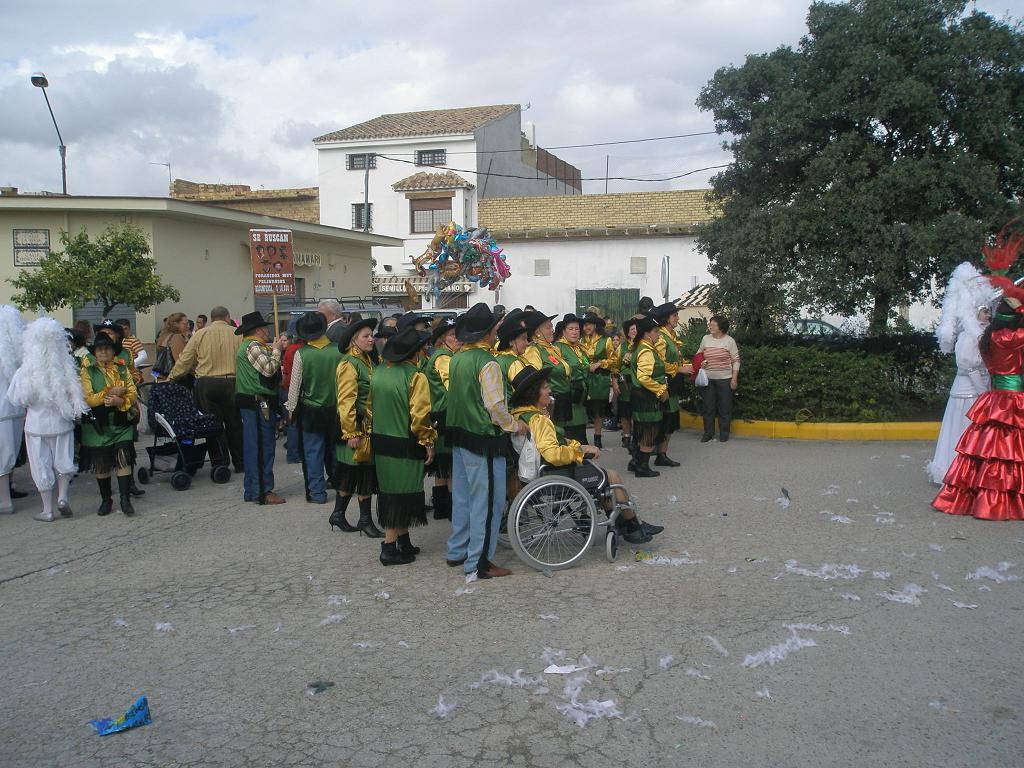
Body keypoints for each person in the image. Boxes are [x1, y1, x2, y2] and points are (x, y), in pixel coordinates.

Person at [509, 366, 662, 544]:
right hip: (552, 473)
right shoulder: (538, 419)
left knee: (601, 477)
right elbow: (552, 454)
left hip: (535, 473)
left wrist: (581, 446)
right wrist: (579, 452)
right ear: (533, 393)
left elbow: (548, 444)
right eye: (545, 387)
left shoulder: (519, 415)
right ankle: (633, 526)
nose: (549, 390)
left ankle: (627, 524)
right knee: (611, 476)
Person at [446, 303, 526, 579]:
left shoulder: (457, 357)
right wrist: (515, 425)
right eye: (495, 329)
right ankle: (479, 562)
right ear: (489, 332)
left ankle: (457, 550)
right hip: (482, 438)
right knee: (488, 502)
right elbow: (495, 407)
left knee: (463, 497)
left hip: (459, 434)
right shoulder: (487, 362)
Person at [7, 318, 89, 522]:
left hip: (36, 425)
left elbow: (18, 398)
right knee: (64, 460)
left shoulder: (26, 371)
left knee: (40, 464)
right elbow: (76, 396)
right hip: (62, 422)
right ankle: (62, 497)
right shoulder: (65, 368)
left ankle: (47, 509)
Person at [370, 327, 436, 566]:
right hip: (405, 443)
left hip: (381, 441)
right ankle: (388, 547)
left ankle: (403, 540)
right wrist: (428, 441)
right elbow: (420, 417)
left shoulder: (378, 372)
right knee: (402, 494)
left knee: (391, 491)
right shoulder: (415, 376)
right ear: (415, 352)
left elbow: (369, 407)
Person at [928, 263, 993, 485]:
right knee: (963, 431)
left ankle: (973, 473)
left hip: (978, 390)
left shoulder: (981, 333)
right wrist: (983, 391)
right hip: (968, 392)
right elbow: (969, 365)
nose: (988, 315)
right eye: (985, 311)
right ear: (975, 312)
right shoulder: (969, 336)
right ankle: (957, 471)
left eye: (989, 311)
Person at [168, 306, 244, 472]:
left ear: (211, 319)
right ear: (227, 317)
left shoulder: (200, 334)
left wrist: (171, 378)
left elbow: (184, 360)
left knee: (212, 425)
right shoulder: (238, 334)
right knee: (235, 424)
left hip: (207, 384)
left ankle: (220, 463)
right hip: (233, 383)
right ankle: (240, 463)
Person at [331, 318, 383, 537]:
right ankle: (364, 520)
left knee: (351, 473)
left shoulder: (367, 360)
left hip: (367, 425)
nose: (371, 339)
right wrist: (351, 432)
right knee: (362, 474)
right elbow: (346, 401)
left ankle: (338, 514)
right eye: (366, 336)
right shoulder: (348, 364)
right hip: (355, 426)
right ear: (354, 341)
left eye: (372, 335)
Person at [79, 334, 139, 515]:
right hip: (98, 426)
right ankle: (106, 500)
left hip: (120, 423)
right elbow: (89, 399)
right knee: (101, 464)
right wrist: (110, 392)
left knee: (123, 459)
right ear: (95, 353)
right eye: (99, 349)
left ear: (113, 351)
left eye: (107, 348)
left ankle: (125, 500)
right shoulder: (87, 372)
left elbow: (132, 392)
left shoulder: (122, 369)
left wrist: (121, 402)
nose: (103, 351)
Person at [287, 313, 342, 504]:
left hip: (311, 409)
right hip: (336, 409)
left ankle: (317, 492)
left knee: (313, 452)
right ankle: (342, 485)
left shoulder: (302, 353)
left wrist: (291, 408)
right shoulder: (339, 351)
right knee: (337, 449)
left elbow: (295, 386)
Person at [234, 311, 289, 505]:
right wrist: (276, 350)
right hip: (258, 403)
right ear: (258, 330)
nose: (267, 331)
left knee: (254, 446)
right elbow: (268, 369)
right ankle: (263, 490)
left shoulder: (248, 346)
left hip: (254, 403)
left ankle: (253, 489)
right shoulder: (254, 346)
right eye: (265, 328)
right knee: (262, 448)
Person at [424, 317, 461, 520]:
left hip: (440, 413)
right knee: (450, 466)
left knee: (442, 468)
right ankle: (453, 510)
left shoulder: (445, 355)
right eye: (453, 335)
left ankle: (441, 508)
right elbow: (452, 385)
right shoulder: (443, 358)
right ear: (442, 339)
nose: (457, 339)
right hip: (445, 413)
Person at [651, 302, 688, 465]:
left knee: (670, 420)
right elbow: (658, 362)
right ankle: (657, 454)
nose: (677, 318)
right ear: (666, 318)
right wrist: (679, 369)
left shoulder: (670, 335)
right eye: (674, 315)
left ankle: (662, 454)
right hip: (665, 382)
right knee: (665, 419)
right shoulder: (661, 337)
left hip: (673, 381)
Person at [630, 316, 667, 478]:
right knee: (649, 431)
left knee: (642, 428)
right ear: (646, 334)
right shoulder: (645, 350)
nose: (658, 335)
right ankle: (642, 466)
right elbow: (644, 377)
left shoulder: (642, 347)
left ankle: (635, 462)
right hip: (647, 396)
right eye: (655, 332)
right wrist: (660, 390)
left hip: (641, 396)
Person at [521, 311, 573, 428]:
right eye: (548, 327)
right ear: (537, 332)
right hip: (550, 401)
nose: (553, 330)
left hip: (564, 398)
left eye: (552, 327)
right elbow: (535, 381)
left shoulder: (554, 349)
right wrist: (542, 406)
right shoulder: (533, 350)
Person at [696, 314, 740, 443]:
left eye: (713, 324)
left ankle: (724, 433)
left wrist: (734, 378)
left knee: (724, 407)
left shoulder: (729, 341)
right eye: (710, 324)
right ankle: (708, 433)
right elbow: (699, 354)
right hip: (708, 379)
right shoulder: (705, 339)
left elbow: (736, 360)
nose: (710, 326)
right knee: (708, 407)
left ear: (721, 327)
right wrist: (701, 362)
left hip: (725, 378)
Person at [0, 306, 26, 514]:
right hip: (6, 409)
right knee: (6, 452)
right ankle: (4, 499)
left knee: (10, 451)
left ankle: (8, 488)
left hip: (12, 407)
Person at [580, 311, 618, 449]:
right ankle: (583, 438)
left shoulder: (606, 340)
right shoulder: (581, 341)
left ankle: (597, 438)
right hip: (585, 378)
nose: (586, 328)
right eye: (584, 325)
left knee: (598, 411)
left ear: (595, 325)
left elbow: (614, 360)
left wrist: (600, 363)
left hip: (600, 379)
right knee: (584, 409)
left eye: (588, 324)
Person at [554, 314, 590, 445]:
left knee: (581, 430)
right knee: (571, 434)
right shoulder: (557, 348)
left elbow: (586, 366)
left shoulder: (581, 348)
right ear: (563, 331)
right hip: (568, 396)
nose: (574, 332)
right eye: (571, 329)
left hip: (581, 398)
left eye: (577, 329)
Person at [281, 319, 304, 464]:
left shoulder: (291, 349)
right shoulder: (298, 350)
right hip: (292, 389)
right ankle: (293, 453)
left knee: (292, 423)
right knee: (294, 424)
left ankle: (293, 450)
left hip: (287, 388)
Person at [617, 317, 640, 448]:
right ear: (627, 332)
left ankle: (637, 435)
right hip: (624, 383)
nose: (634, 331)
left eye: (636, 329)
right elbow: (616, 365)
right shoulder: (622, 347)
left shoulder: (642, 345)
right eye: (632, 329)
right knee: (625, 412)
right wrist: (615, 381)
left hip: (638, 383)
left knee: (636, 411)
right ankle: (626, 436)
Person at [155, 312, 189, 378]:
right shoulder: (176, 337)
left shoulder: (164, 336)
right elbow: (180, 363)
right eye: (185, 324)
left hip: (163, 377)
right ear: (175, 324)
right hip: (174, 379)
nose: (188, 326)